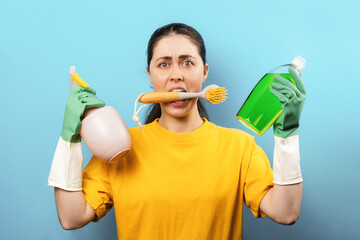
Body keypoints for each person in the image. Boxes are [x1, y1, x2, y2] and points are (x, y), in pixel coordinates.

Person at [48, 23, 305, 239]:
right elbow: (71, 218)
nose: (176, 75)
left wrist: (287, 137)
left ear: (204, 72)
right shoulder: (119, 146)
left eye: (187, 63)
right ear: (149, 75)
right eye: (163, 64)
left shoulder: (239, 146)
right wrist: (68, 140)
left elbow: (286, 213)